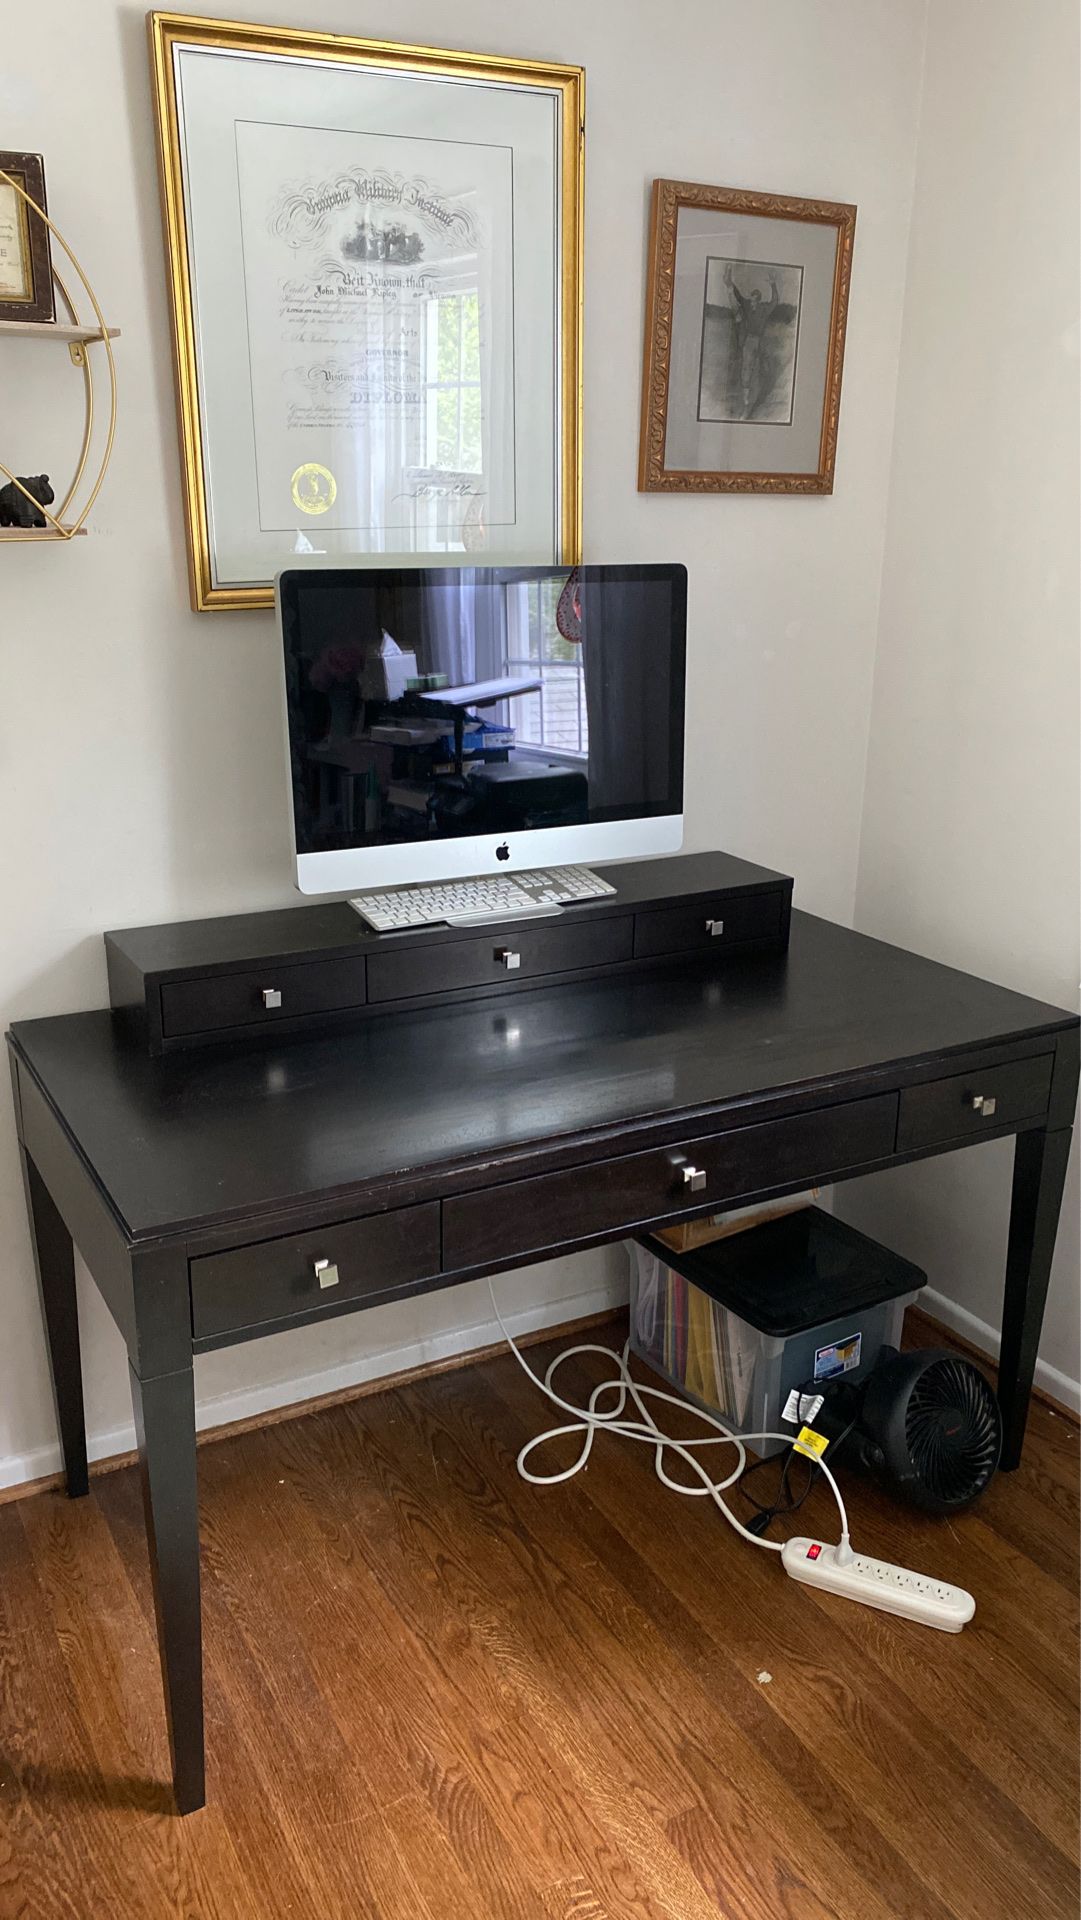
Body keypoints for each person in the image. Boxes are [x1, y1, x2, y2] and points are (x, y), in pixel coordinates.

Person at [724, 265, 779, 417]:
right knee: (746, 369)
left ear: (758, 300)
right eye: (751, 300)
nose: (752, 303)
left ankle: (756, 397)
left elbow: (775, 301)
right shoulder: (747, 306)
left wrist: (773, 284)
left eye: (755, 300)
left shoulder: (764, 309)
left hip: (759, 342)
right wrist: (730, 282)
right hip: (749, 341)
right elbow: (738, 296)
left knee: (761, 368)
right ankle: (747, 401)